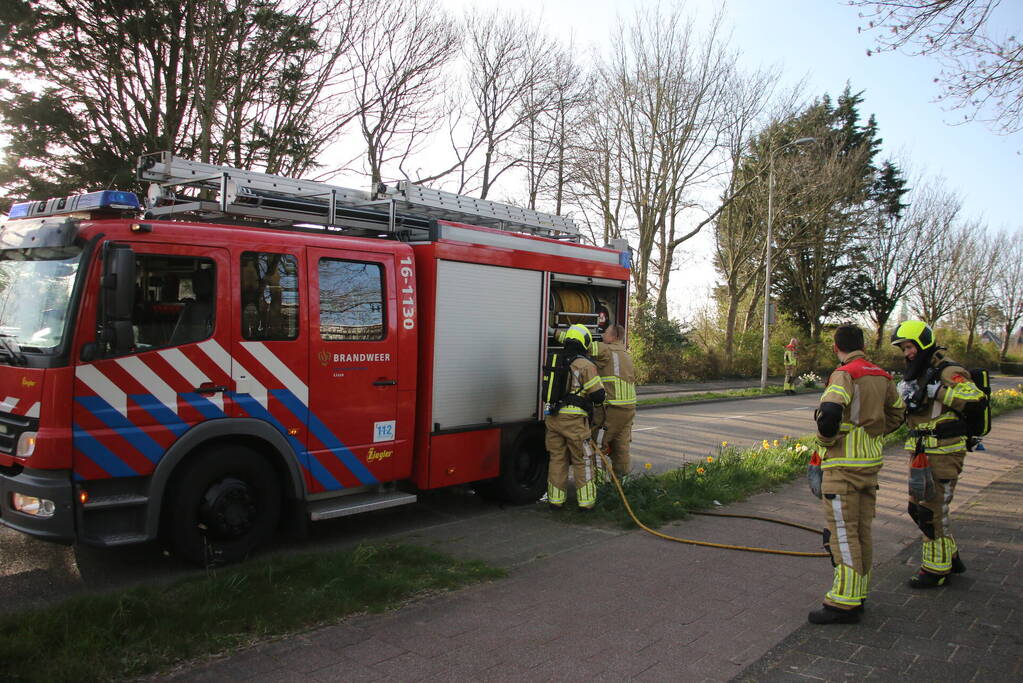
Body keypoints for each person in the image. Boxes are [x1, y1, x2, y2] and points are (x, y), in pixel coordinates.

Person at [808, 324, 905, 625]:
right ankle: (858, 592)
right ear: (863, 345)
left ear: (836, 347)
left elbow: (829, 414)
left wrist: (826, 441)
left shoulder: (844, 374)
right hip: (870, 466)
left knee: (842, 533)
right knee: (862, 532)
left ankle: (844, 603)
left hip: (843, 468)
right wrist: (875, 434)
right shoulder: (883, 376)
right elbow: (898, 414)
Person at [891, 320, 985, 588]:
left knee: (931, 512)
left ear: (923, 343)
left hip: (944, 452)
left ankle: (936, 570)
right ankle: (950, 556)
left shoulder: (949, 370)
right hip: (922, 452)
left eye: (910, 347)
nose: (908, 353)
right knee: (917, 509)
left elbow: (976, 400)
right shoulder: (921, 373)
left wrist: (941, 392)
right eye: (904, 349)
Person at [545, 324, 606, 510]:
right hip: (574, 421)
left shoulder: (556, 361)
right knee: (583, 459)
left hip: (553, 419)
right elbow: (598, 395)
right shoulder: (585, 365)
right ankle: (586, 503)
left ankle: (555, 501)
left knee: (557, 459)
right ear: (584, 342)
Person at [590, 324, 637, 479]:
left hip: (611, 409)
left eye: (605, 332)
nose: (602, 335)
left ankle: (598, 482)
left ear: (613, 337)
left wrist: (555, 333)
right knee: (621, 447)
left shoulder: (606, 349)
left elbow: (582, 344)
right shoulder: (625, 353)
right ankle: (621, 482)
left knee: (596, 444)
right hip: (628, 410)